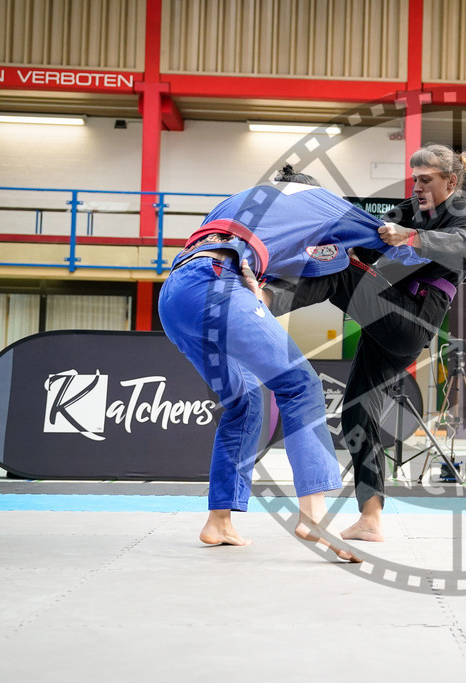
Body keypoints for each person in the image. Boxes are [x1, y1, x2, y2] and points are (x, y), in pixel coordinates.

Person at [158, 165, 428, 559]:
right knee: (300, 385)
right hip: (218, 286)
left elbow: (266, 254)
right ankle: (314, 518)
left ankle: (218, 521)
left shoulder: (238, 199)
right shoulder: (322, 201)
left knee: (244, 401)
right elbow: (391, 240)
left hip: (175, 293)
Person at [260, 144, 466, 543]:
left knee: (342, 272)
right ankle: (371, 518)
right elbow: (358, 230)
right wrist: (311, 195)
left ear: (451, 182)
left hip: (411, 320)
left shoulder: (463, 212)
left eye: (426, 180)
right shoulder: (409, 209)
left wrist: (411, 237)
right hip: (387, 323)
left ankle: (263, 301)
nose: (417, 186)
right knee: (357, 415)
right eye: (415, 178)